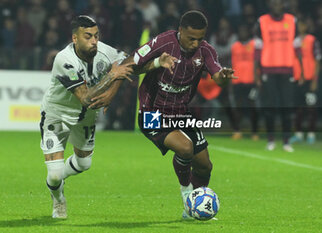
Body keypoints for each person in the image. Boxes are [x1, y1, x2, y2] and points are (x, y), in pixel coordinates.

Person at [99, 10, 234, 219]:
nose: (196, 43)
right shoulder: (162, 43)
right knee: (185, 148)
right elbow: (128, 65)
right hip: (151, 113)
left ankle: (192, 210)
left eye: (200, 38)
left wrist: (224, 77)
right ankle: (187, 195)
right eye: (191, 38)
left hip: (180, 112)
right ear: (180, 31)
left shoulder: (206, 50)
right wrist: (112, 91)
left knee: (205, 166)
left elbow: (218, 76)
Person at [40, 15, 176, 219]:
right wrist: (113, 75)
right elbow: (85, 97)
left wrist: (157, 62)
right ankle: (58, 199)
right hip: (57, 114)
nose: (94, 41)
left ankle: (60, 179)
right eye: (88, 36)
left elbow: (131, 65)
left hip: (85, 116)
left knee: (84, 164)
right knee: (54, 174)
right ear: (75, 38)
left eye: (96, 35)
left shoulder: (106, 52)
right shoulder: (64, 60)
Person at [254, 0, 303, 152]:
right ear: (269, 5)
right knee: (270, 107)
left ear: (284, 5)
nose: (277, 6)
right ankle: (270, 140)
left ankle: (287, 141)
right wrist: (256, 73)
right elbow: (257, 49)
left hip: (287, 69)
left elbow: (297, 47)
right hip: (268, 70)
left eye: (279, 3)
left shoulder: (292, 20)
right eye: (274, 3)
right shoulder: (261, 21)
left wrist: (300, 70)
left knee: (287, 107)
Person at [290, 18, 322, 144]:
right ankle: (298, 134)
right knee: (298, 108)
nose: (300, 27)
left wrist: (315, 79)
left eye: (302, 24)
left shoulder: (312, 40)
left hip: (309, 79)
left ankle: (311, 134)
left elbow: (318, 60)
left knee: (311, 107)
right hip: (297, 80)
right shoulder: (293, 42)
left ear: (306, 26)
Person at [231, 24, 260, 140]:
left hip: (251, 82)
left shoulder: (254, 45)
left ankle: (254, 133)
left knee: (253, 107)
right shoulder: (235, 46)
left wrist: (258, 79)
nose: (243, 33)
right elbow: (233, 64)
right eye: (240, 31)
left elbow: (259, 62)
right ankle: (237, 131)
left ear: (249, 32)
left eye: (245, 30)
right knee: (238, 107)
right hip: (237, 82)